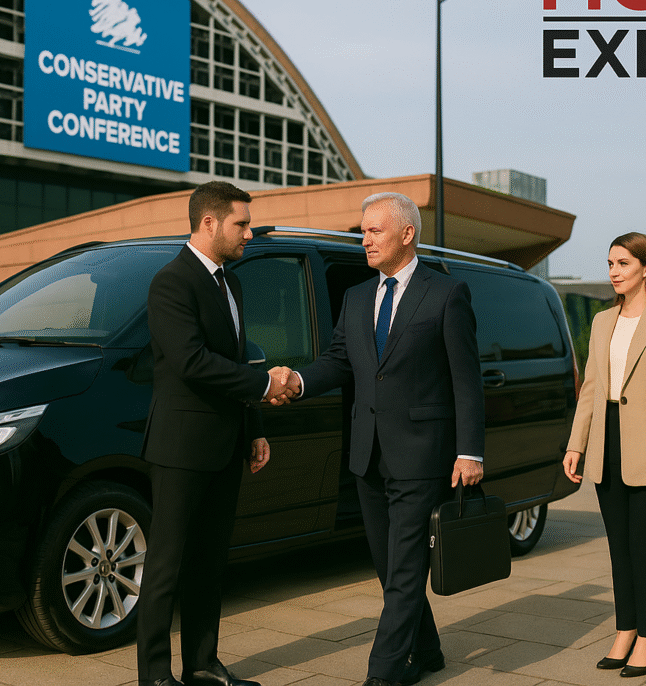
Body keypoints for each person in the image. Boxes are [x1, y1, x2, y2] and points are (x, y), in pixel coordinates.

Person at [272, 192, 485, 686]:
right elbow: (338, 362)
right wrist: (298, 383)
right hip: (367, 452)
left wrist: (469, 450)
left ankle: (384, 674)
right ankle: (427, 651)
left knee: (407, 568)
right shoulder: (356, 296)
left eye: (374, 231)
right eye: (362, 231)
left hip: (421, 453)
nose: (363, 239)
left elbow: (465, 379)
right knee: (391, 567)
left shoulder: (447, 294)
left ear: (407, 234)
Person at [137, 181, 297, 686]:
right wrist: (264, 383)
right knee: (166, 568)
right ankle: (156, 677)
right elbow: (191, 362)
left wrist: (254, 426)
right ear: (209, 223)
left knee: (209, 564)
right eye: (241, 224)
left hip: (226, 444)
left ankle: (203, 666)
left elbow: (235, 357)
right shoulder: (171, 282)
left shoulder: (232, 282)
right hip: (181, 448)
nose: (249, 232)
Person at [563, 232, 646, 678]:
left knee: (643, 544)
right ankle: (624, 631)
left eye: (622, 263)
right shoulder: (602, 322)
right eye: (610, 264)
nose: (614, 272)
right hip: (606, 442)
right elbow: (593, 388)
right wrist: (576, 443)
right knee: (618, 545)